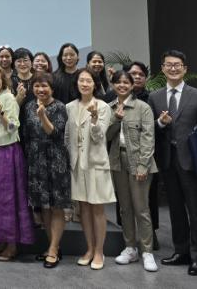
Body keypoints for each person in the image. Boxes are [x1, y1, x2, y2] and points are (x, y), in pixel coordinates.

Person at [148, 50, 197, 276]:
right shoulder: (155, 97)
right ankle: (181, 251)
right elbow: (151, 131)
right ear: (163, 68)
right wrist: (160, 122)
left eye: (177, 65)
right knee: (176, 210)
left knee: (196, 211)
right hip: (168, 162)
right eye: (169, 65)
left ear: (185, 68)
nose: (173, 68)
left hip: (193, 162)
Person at [106, 71, 158, 272]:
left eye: (125, 82)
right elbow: (108, 136)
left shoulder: (142, 107)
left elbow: (148, 138)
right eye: (118, 82)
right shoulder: (110, 107)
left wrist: (143, 165)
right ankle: (130, 248)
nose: (122, 85)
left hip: (138, 161)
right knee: (124, 208)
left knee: (141, 209)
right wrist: (116, 119)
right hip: (117, 160)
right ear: (113, 85)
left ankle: (147, 251)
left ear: (132, 85)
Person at [0, 65, 32, 261]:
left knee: (9, 199)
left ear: (3, 80)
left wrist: (1, 114)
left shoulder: (9, 98)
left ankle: (12, 246)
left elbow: (13, 127)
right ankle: (1, 240)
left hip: (8, 151)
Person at [66, 68, 115, 270]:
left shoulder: (102, 106)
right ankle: (88, 248)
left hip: (95, 163)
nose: (85, 84)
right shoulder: (70, 106)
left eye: (88, 81)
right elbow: (67, 137)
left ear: (95, 84)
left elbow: (99, 136)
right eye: (81, 80)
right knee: (83, 208)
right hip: (77, 164)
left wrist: (94, 119)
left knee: (97, 208)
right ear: (76, 84)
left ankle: (99, 251)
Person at [22, 72, 70, 268]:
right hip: (35, 158)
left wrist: (42, 117)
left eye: (44, 86)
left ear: (52, 88)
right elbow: (26, 133)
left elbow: (55, 132)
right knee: (44, 206)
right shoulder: (28, 106)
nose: (40, 90)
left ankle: (52, 249)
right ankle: (54, 246)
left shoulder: (59, 107)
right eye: (37, 86)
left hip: (55, 158)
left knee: (57, 206)